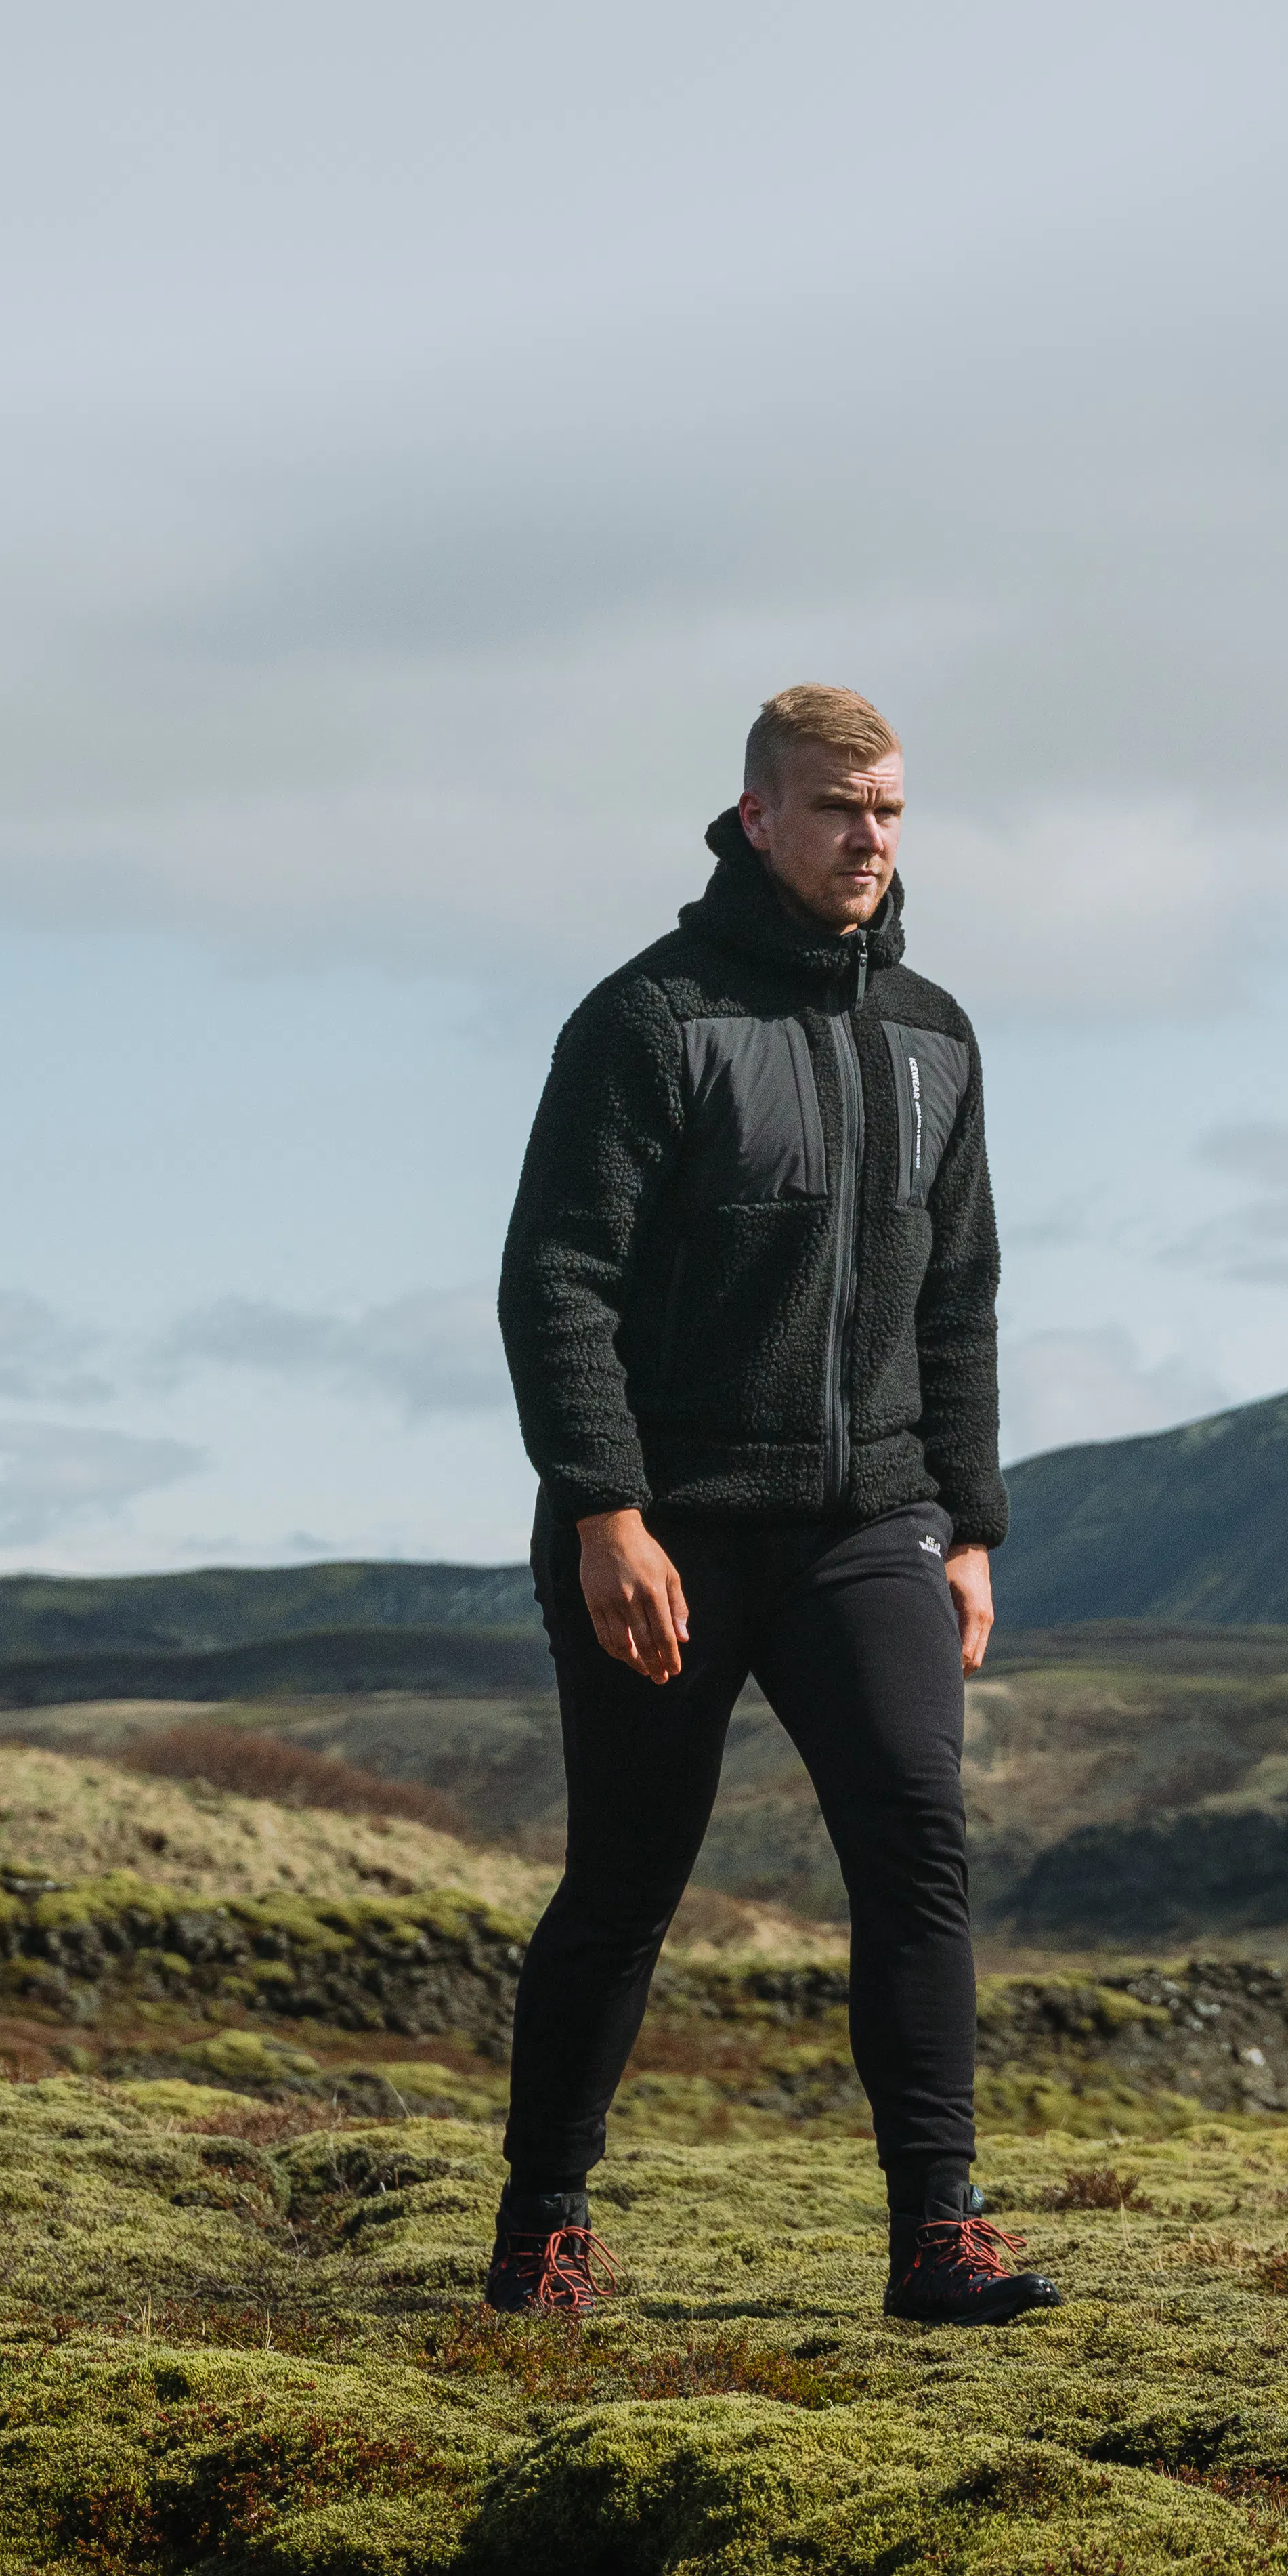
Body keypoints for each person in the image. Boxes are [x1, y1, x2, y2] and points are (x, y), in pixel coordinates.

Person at [484, 683, 1057, 2327]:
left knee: (917, 1841)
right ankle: (544, 2227)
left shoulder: (936, 1032)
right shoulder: (648, 1020)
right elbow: (559, 1281)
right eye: (833, 809)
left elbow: (962, 1294)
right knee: (628, 1878)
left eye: (887, 809)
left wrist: (972, 1523)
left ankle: (936, 2235)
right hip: (664, 1528)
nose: (867, 838)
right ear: (756, 817)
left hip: (867, 1521)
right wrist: (605, 1510)